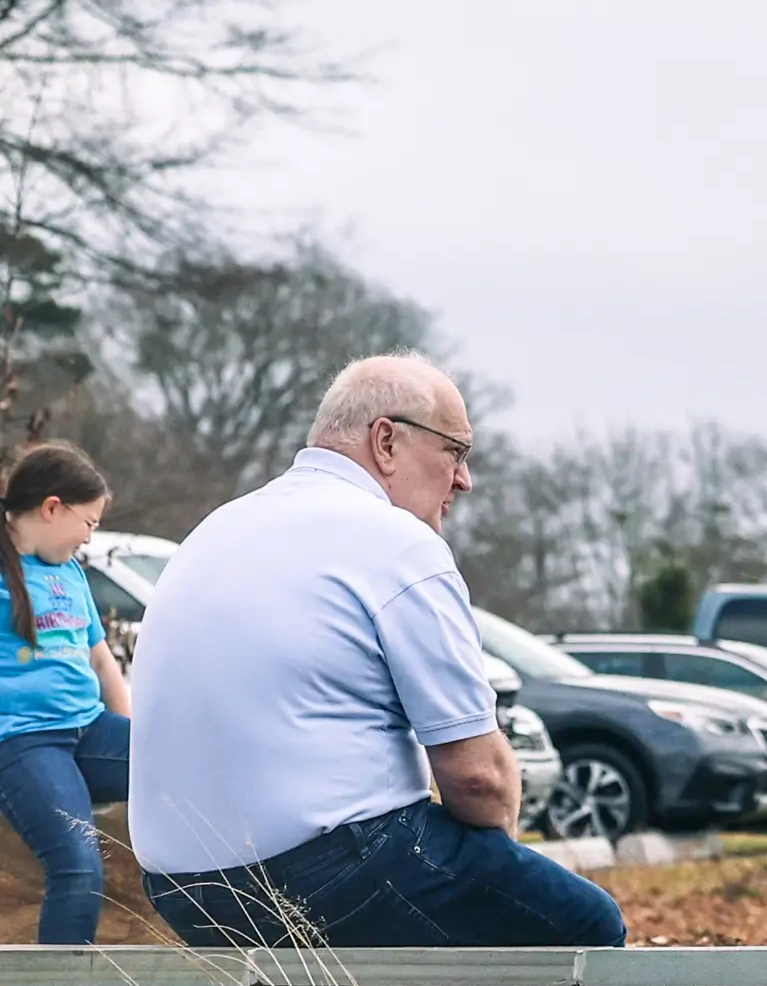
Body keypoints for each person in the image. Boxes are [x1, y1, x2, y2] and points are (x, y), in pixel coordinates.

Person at [127, 355, 625, 948]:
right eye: (456, 451)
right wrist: (499, 861)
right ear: (386, 441)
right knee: (588, 924)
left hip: (182, 891)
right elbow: (478, 780)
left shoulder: (214, 530)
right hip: (324, 873)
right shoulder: (396, 541)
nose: (464, 480)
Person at [0, 444, 131, 943]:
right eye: (89, 522)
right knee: (78, 868)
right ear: (53, 508)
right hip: (25, 743)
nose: (89, 537)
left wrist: (129, 730)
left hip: (89, 731)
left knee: (188, 765)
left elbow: (101, 660)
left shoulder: (70, 572)